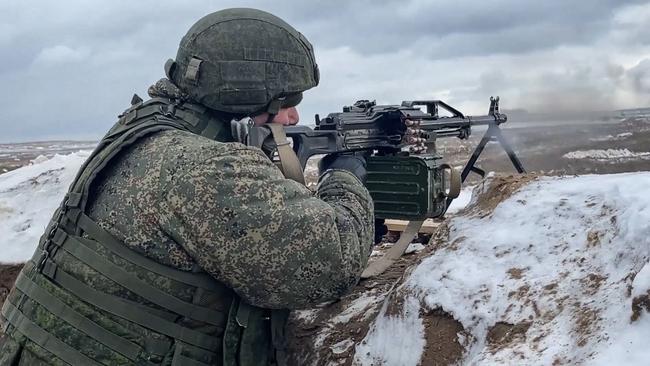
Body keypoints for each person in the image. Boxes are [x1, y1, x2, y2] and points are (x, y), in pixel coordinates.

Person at [0, 8, 374, 365]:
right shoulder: (206, 167)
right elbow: (332, 263)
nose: (294, 116)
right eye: (288, 101)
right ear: (244, 96)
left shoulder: (145, 125)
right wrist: (344, 176)